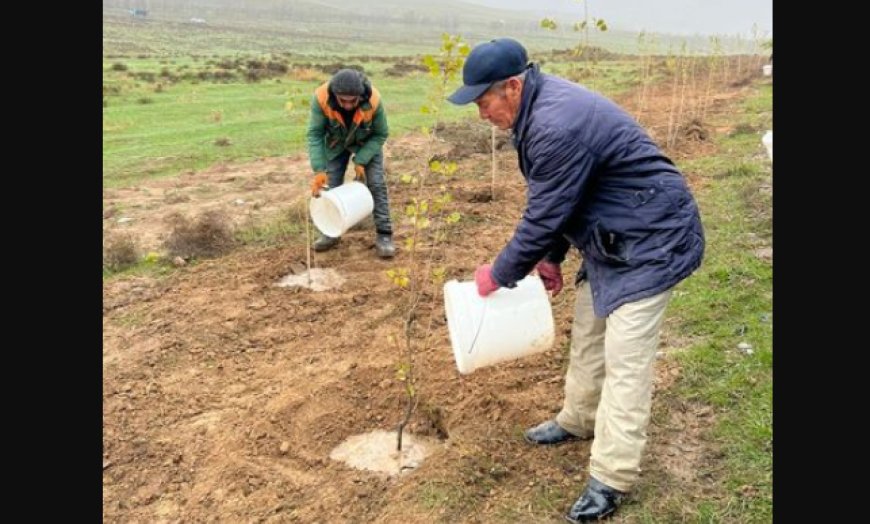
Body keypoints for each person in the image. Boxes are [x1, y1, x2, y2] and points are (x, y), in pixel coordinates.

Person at [447, 38, 705, 522]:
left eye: (484, 102)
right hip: (613, 234)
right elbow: (569, 197)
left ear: (513, 86)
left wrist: (498, 275)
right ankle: (580, 418)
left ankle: (612, 476)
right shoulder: (538, 111)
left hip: (652, 239)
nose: (481, 114)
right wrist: (552, 257)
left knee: (626, 359)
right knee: (588, 331)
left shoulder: (554, 123)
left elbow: (543, 213)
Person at [307, 68, 395, 258]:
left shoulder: (373, 100)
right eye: (342, 100)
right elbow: (315, 134)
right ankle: (331, 233)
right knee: (329, 187)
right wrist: (319, 170)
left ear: (360, 95)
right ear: (335, 95)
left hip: (367, 143)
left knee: (376, 184)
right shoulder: (321, 98)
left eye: (352, 101)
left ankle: (384, 234)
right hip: (336, 144)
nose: (347, 105)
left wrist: (361, 160)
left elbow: (381, 134)